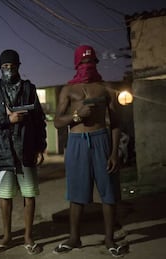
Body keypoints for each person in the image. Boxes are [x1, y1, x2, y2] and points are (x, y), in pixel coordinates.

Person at [53, 45, 128, 257]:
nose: (87, 66)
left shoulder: (105, 88)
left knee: (108, 192)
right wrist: (77, 116)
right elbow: (58, 122)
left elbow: (115, 123)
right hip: (77, 141)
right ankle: (74, 238)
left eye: (91, 62)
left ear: (96, 63)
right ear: (77, 64)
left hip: (101, 139)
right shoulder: (68, 90)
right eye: (83, 63)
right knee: (77, 193)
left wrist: (114, 152)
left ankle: (110, 239)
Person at [0, 49, 47, 255]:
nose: (9, 70)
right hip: (3, 153)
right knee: (5, 196)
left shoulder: (29, 88)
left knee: (29, 194)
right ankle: (7, 237)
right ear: (0, 68)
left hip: (26, 150)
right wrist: (6, 119)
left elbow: (39, 121)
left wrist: (40, 147)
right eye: (5, 67)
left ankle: (28, 237)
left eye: (12, 66)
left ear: (19, 66)